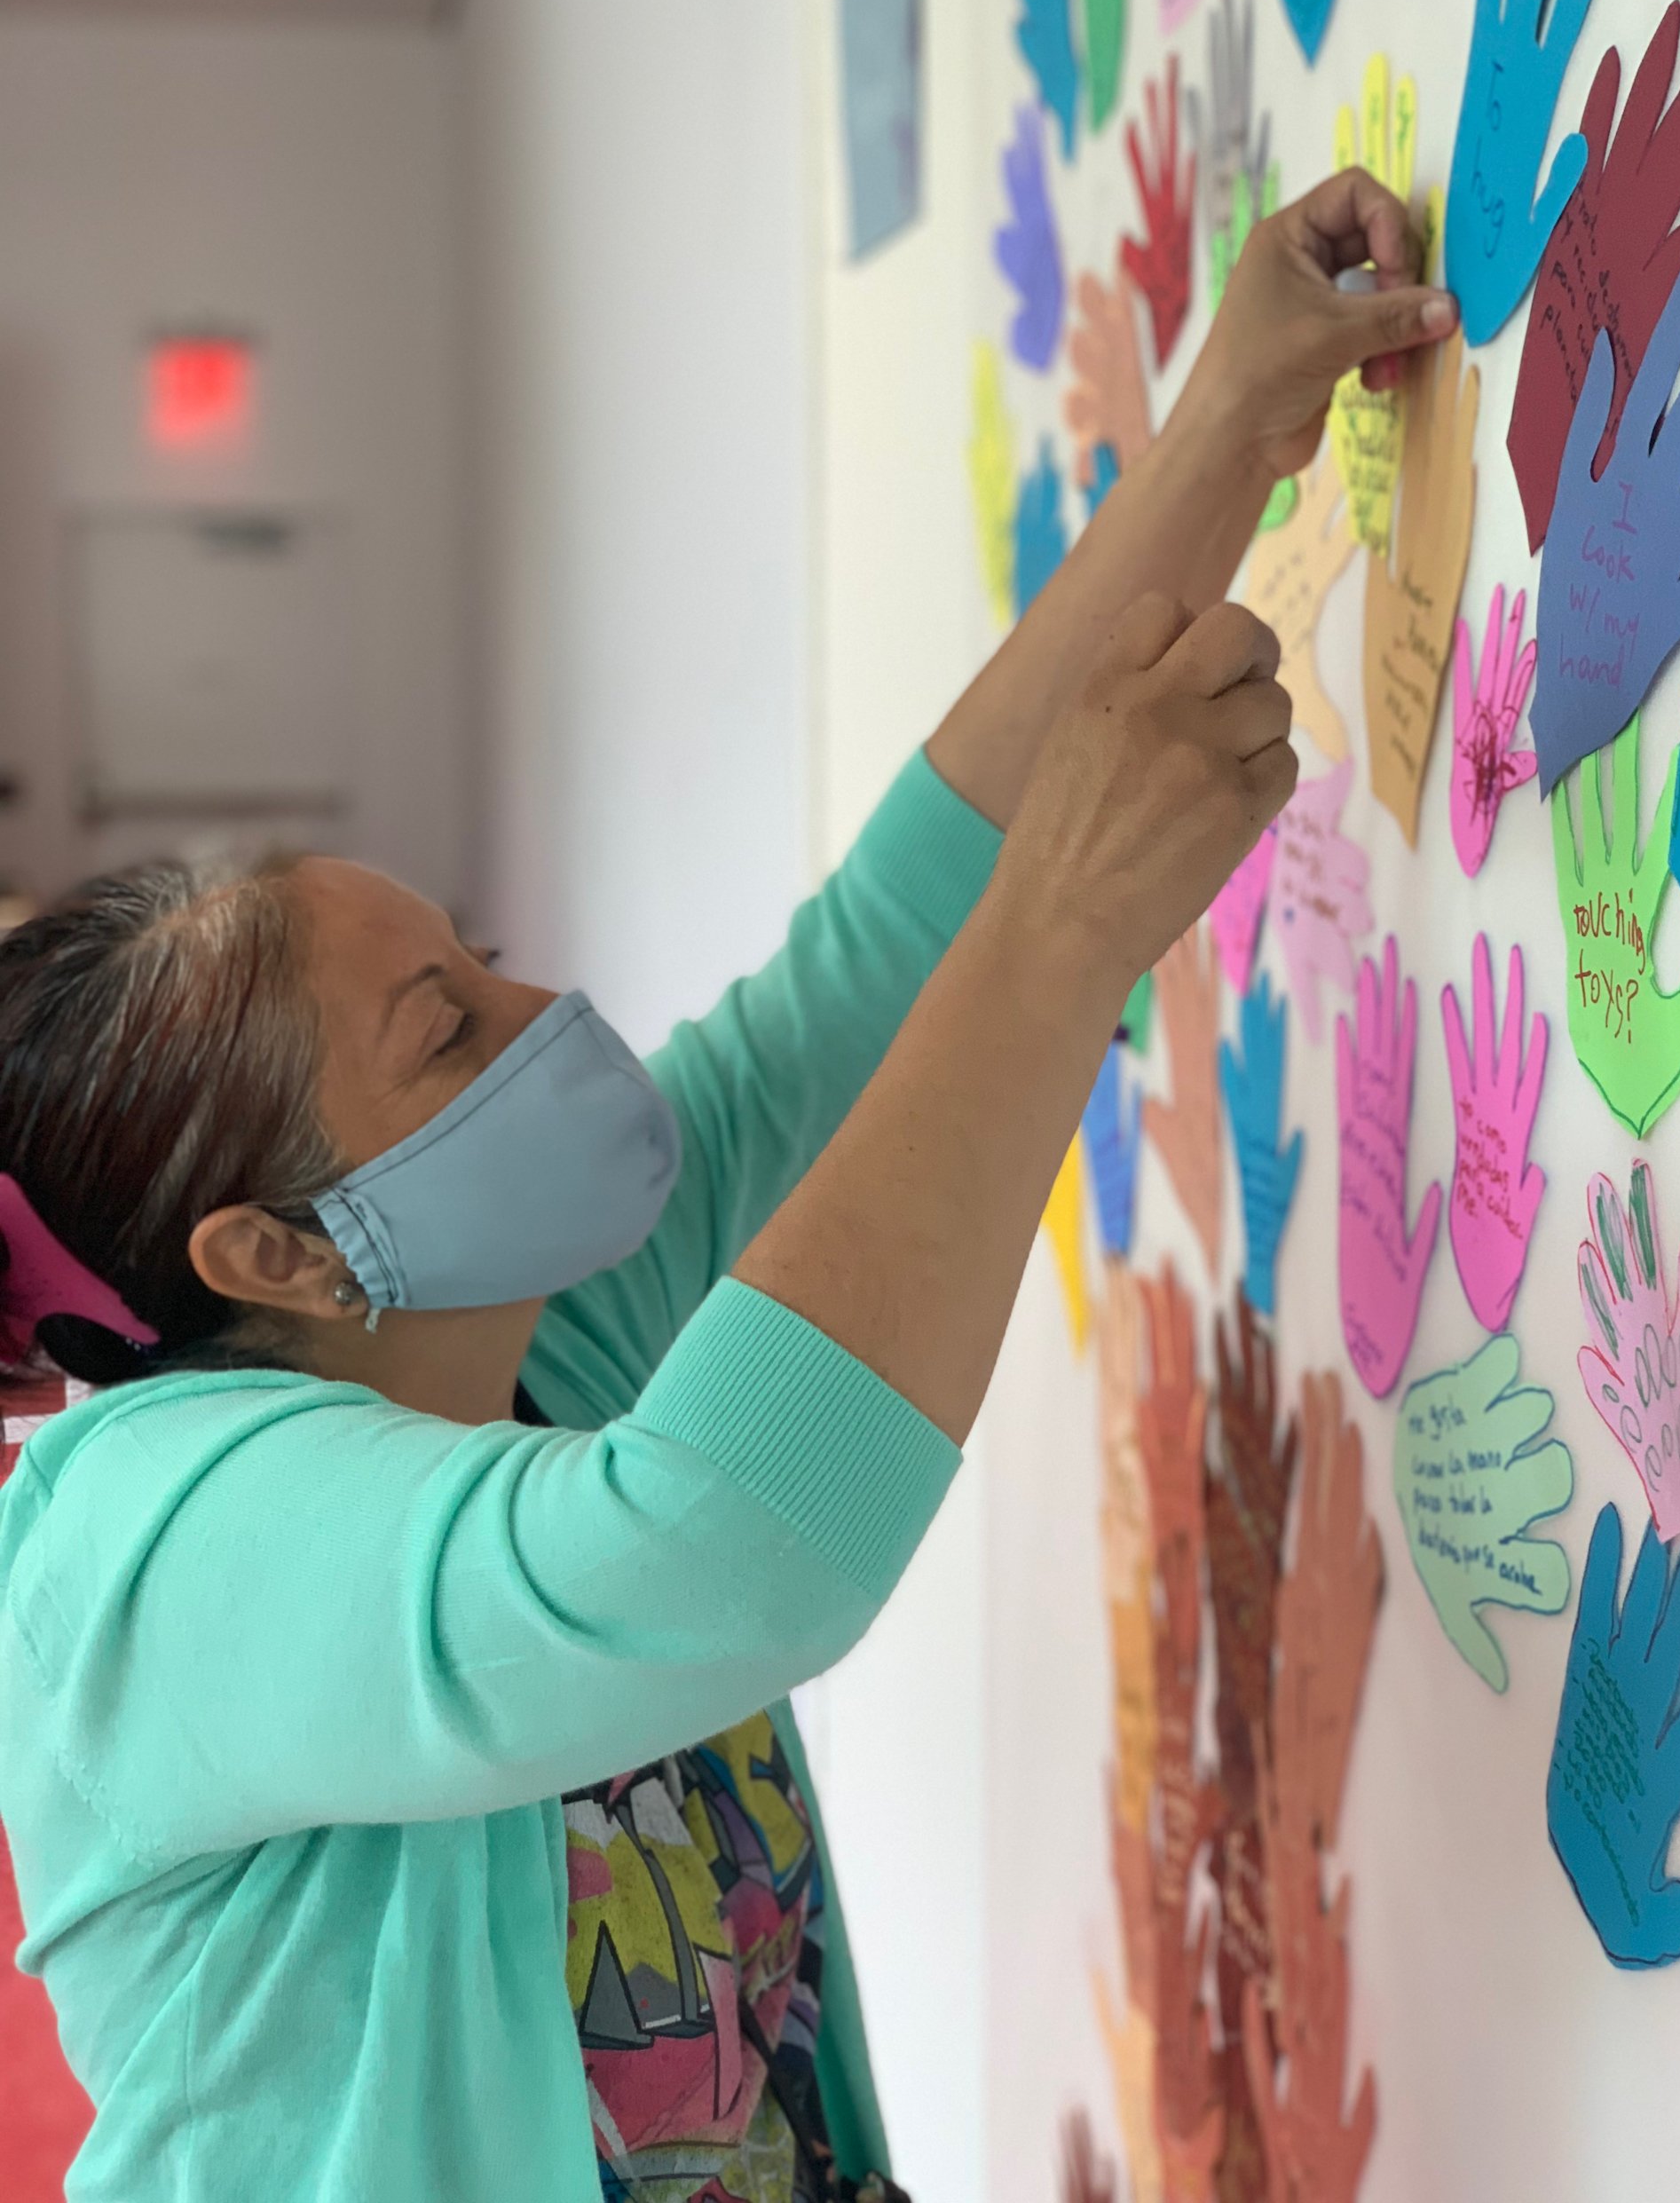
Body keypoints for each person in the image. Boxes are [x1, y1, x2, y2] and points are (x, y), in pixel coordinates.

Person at [0, 170, 1453, 2203]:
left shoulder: (497, 1353)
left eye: (484, 953)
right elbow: (710, 1548)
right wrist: (1066, 932)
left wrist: (1232, 425)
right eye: (447, 1024)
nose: (551, 1010)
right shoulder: (134, 1554)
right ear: (276, 1254)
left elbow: (860, 978)